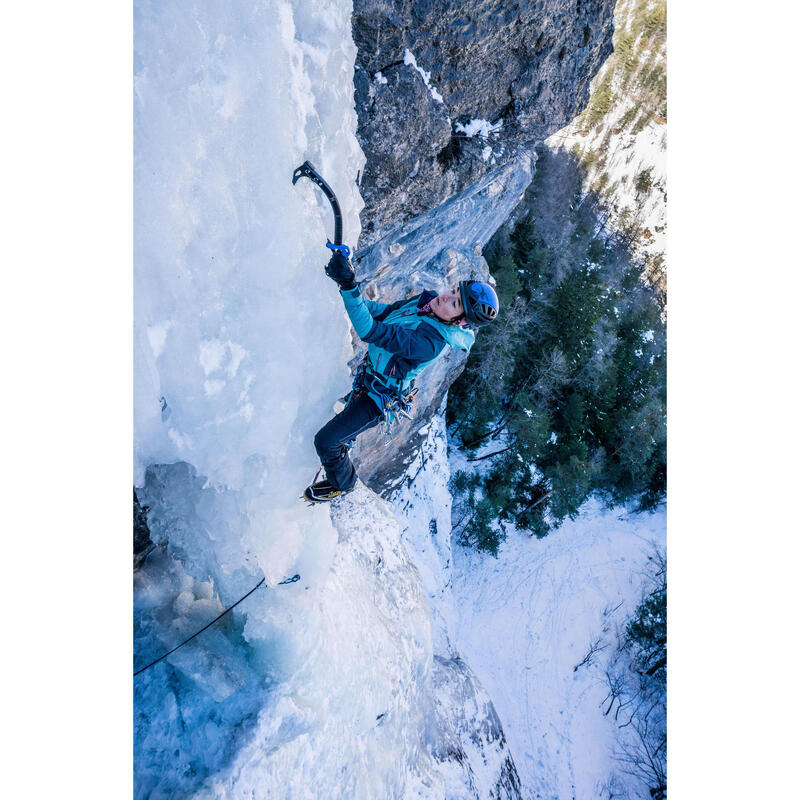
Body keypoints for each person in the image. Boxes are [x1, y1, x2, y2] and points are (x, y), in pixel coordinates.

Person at [303, 250, 499, 503]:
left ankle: (344, 482)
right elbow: (383, 313)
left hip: (377, 400)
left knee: (326, 441)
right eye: (454, 291)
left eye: (455, 303)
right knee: (335, 423)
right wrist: (346, 292)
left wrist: (348, 286)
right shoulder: (426, 302)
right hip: (369, 378)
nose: (446, 297)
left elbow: (371, 330)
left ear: (461, 323)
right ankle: (345, 440)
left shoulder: (430, 343)